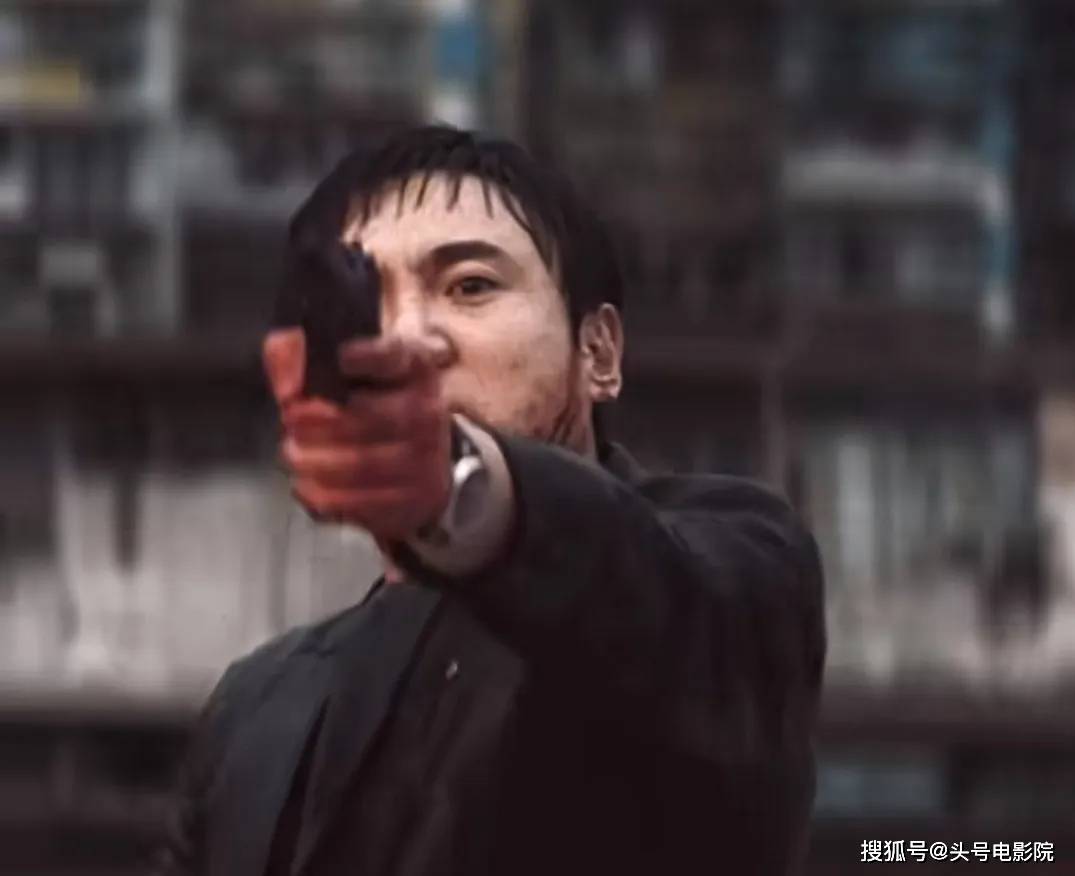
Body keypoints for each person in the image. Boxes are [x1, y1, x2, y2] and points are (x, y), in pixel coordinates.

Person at [154, 125, 826, 876]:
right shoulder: (257, 704)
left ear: (598, 351)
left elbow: (666, 605)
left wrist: (462, 488)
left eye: (470, 285)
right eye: (364, 299)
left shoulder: (733, 574)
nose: (409, 336)